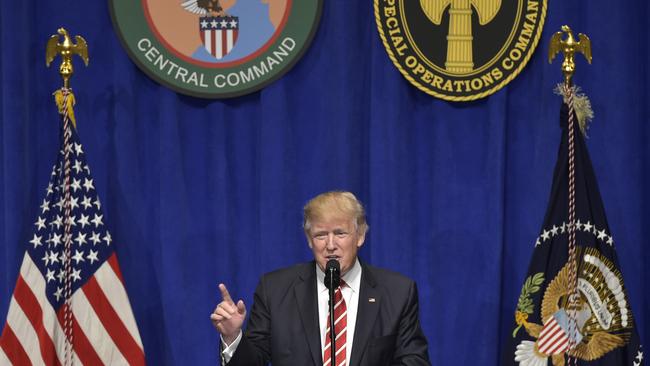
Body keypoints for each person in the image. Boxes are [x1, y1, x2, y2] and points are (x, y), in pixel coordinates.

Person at [211, 191, 430, 365]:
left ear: (360, 236)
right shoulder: (275, 290)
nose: (331, 245)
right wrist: (233, 338)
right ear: (309, 240)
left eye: (340, 233)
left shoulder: (397, 292)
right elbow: (254, 361)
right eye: (320, 235)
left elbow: (414, 360)